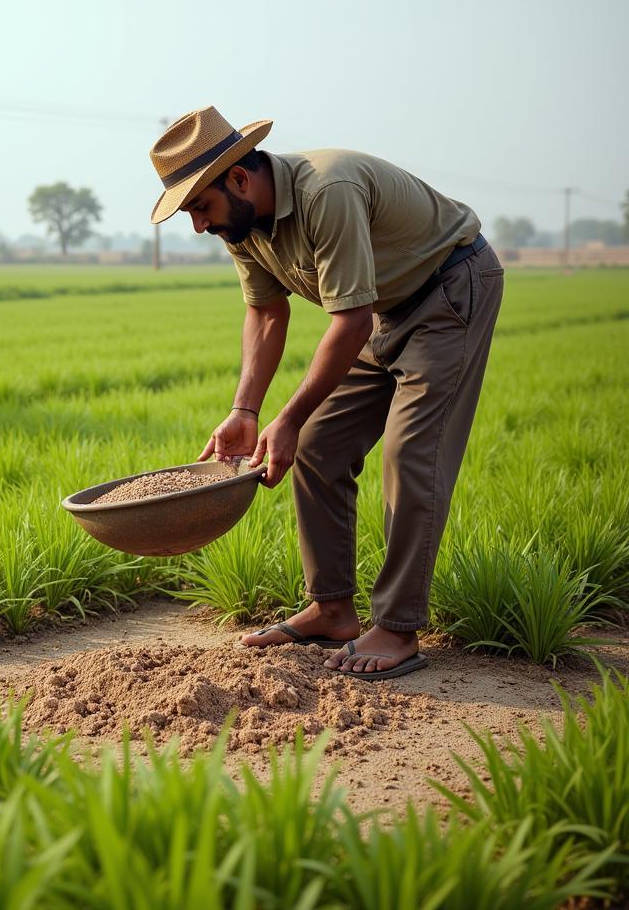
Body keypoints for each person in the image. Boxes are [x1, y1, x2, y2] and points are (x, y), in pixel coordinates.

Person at [148, 107, 503, 680]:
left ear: (239, 178)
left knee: (411, 454)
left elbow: (351, 320)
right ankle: (333, 609)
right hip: (387, 310)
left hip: (449, 290)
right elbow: (265, 313)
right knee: (317, 444)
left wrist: (284, 417)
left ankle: (397, 627)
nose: (198, 226)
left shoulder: (326, 191)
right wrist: (246, 410)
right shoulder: (240, 225)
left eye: (200, 207)